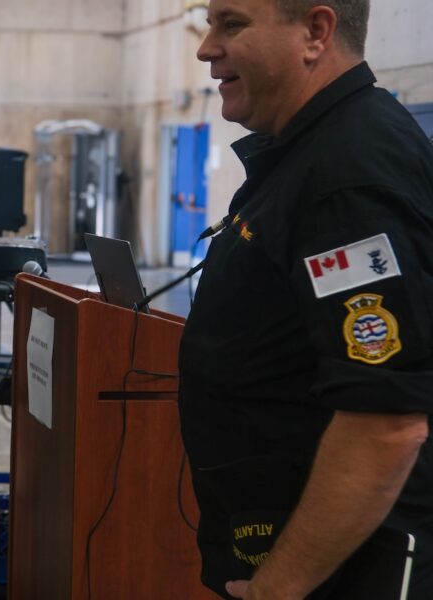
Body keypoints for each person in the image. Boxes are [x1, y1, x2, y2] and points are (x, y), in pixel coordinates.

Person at [179, 1, 433, 598]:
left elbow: (386, 421)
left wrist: (279, 587)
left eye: (232, 24)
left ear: (315, 33)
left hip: (341, 571)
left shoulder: (347, 174)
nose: (205, 47)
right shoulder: (306, 150)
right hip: (286, 544)